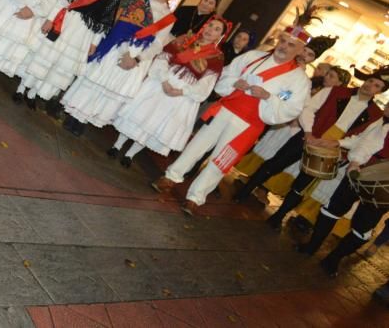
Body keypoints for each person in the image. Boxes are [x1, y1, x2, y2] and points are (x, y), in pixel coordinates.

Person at [152, 26, 312, 215]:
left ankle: (195, 197)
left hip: (249, 125)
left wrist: (268, 97)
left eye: (291, 44)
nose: (284, 46)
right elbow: (226, 74)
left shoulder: (300, 80)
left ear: (300, 50)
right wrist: (235, 83)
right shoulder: (253, 56)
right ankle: (171, 177)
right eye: (283, 41)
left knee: (221, 161)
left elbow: (292, 109)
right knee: (197, 145)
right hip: (226, 109)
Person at [236, 70, 384, 227]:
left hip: (331, 151)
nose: (370, 86)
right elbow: (309, 108)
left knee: (301, 186)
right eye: (370, 81)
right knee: (275, 164)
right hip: (310, 134)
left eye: (376, 85)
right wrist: (308, 132)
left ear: (380, 92)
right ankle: (244, 192)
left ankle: (278, 216)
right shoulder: (334, 91)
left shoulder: (376, 115)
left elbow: (362, 139)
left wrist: (338, 143)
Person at [61, 0, 180, 140]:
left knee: (111, 88)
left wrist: (137, 59)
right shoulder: (140, 2)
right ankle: (74, 115)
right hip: (119, 47)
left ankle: (85, 121)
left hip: (139, 57)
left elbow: (158, 44)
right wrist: (126, 53)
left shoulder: (169, 17)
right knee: (98, 80)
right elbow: (121, 27)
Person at [18, 0, 133, 120]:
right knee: (47, 55)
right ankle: (22, 88)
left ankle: (34, 93)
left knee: (61, 65)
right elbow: (65, 0)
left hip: (85, 33)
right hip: (68, 22)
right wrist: (51, 19)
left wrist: (94, 43)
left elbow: (104, 20)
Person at [297, 71, 389, 277]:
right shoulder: (382, 123)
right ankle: (311, 246)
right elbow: (365, 142)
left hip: (385, 191)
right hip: (360, 173)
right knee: (332, 209)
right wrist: (355, 161)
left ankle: (333, 259)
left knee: (362, 232)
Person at [111, 17, 228, 167]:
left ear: (220, 36)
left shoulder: (216, 57)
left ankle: (130, 155)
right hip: (163, 79)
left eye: (217, 29)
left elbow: (206, 84)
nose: (211, 30)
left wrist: (181, 91)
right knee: (141, 113)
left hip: (183, 94)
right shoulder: (185, 39)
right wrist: (164, 80)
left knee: (156, 123)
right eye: (210, 26)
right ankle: (117, 145)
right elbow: (163, 57)